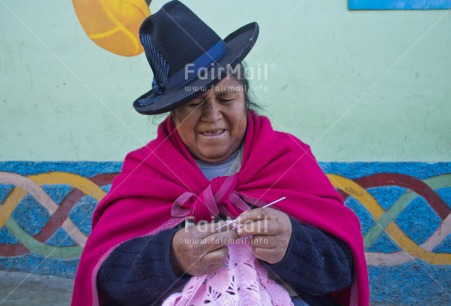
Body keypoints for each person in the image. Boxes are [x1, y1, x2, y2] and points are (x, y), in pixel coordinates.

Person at [71, 1, 369, 305]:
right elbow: (107, 277)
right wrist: (171, 256)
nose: (212, 115)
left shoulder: (287, 157)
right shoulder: (144, 170)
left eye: (226, 97)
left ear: (245, 98)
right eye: (193, 103)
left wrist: (293, 246)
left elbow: (342, 268)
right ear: (172, 113)